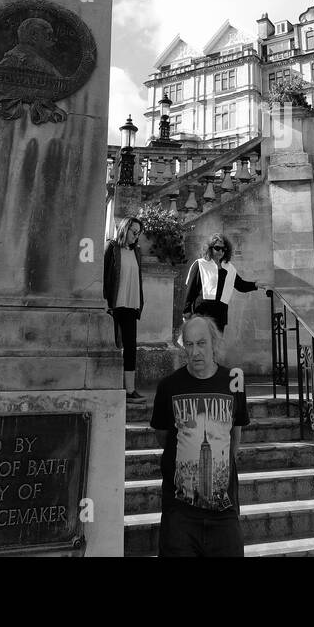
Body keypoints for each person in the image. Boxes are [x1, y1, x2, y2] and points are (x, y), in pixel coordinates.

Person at [151, 315, 249, 557]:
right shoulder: (168, 387)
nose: (195, 352)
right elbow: (163, 438)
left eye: (201, 343)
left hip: (224, 514)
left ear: (213, 343)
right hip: (180, 515)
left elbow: (235, 435)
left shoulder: (234, 383)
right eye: (190, 344)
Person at [103, 217, 146, 403]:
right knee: (111, 346)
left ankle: (130, 390)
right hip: (113, 305)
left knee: (130, 348)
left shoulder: (136, 252)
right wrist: (105, 302)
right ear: (124, 229)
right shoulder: (111, 248)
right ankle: (108, 385)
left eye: (138, 233)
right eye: (133, 232)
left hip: (131, 305)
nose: (136, 236)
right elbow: (104, 276)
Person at [182, 235, 259, 334]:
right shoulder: (200, 264)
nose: (220, 251)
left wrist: (256, 285)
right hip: (202, 311)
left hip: (220, 313)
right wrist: (186, 310)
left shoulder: (229, 267)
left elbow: (241, 285)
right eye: (217, 248)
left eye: (223, 249)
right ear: (210, 248)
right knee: (203, 342)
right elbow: (191, 289)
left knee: (216, 345)